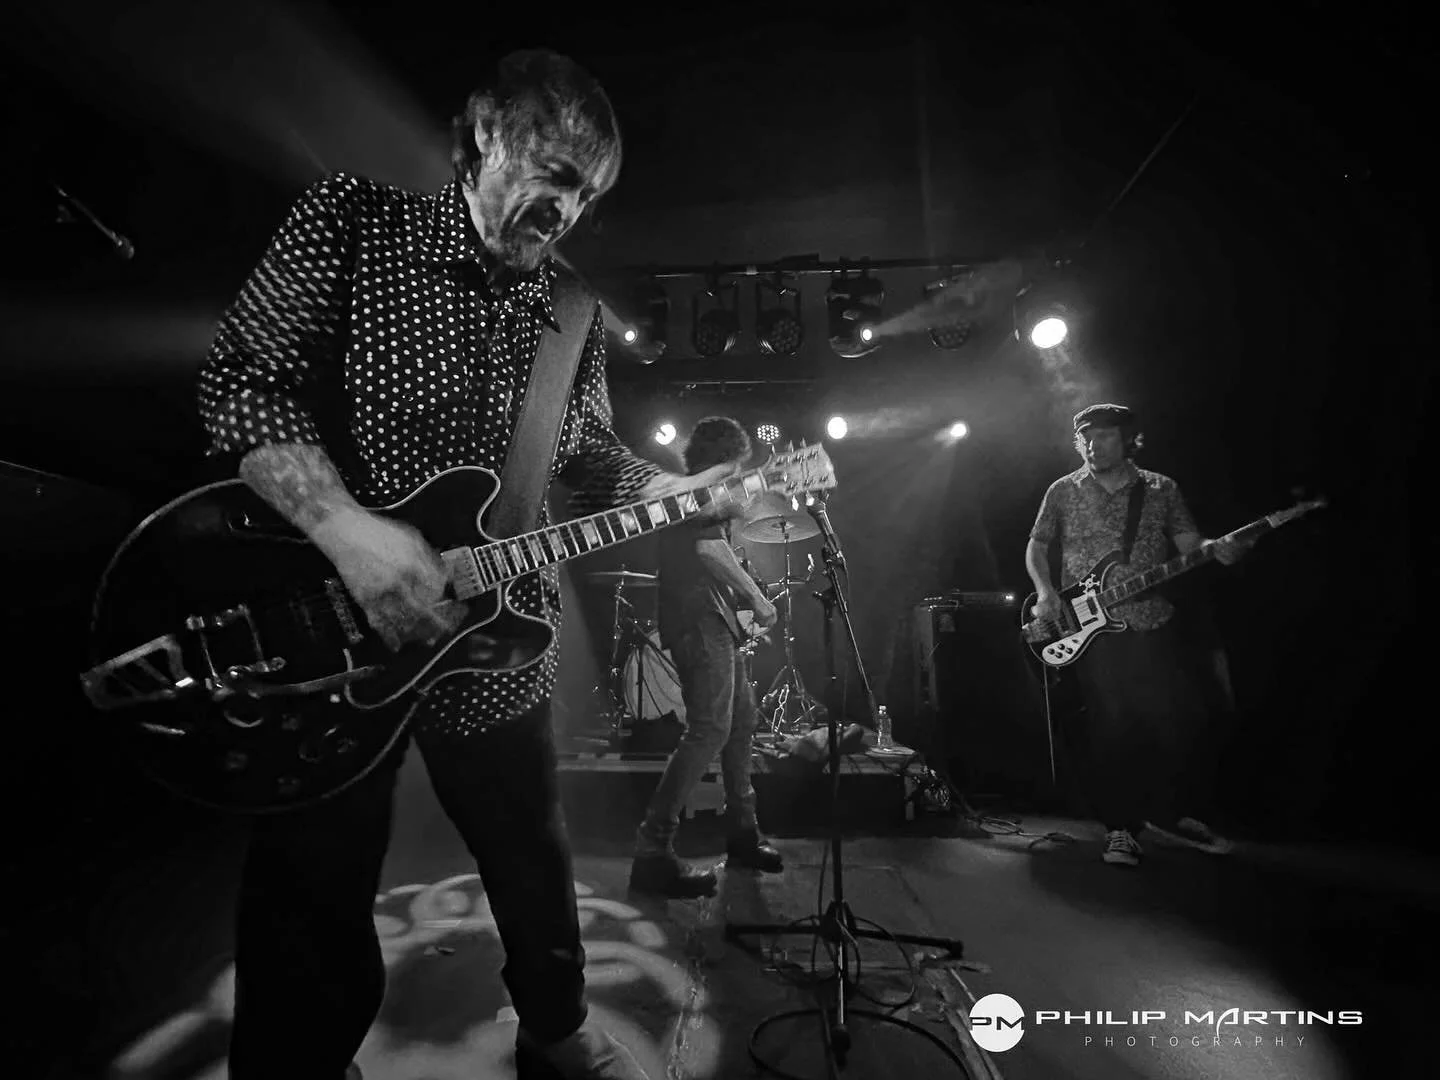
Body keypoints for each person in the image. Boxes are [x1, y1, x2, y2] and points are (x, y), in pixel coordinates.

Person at [196, 49, 731, 1080]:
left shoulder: (573, 313)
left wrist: (671, 489)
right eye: (557, 174)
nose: (568, 210)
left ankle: (555, 1032)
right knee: (313, 882)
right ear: (486, 131)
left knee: (531, 853)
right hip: (339, 629)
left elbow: (586, 455)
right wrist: (344, 528)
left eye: (588, 195)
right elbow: (243, 380)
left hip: (500, 636)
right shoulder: (356, 222)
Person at [1025, 404, 1245, 868]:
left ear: (1128, 440)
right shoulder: (1063, 490)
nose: (1093, 445)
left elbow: (1189, 544)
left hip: (1152, 619)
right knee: (1111, 726)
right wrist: (1045, 593)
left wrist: (1217, 550)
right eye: (1086, 437)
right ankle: (1120, 828)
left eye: (1104, 436)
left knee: (1179, 720)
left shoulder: (1161, 488)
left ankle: (1171, 812)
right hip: (1091, 629)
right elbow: (1038, 544)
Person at [628, 417, 784, 898]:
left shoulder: (697, 494)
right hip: (697, 620)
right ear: (725, 460)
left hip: (709, 619)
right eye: (736, 466)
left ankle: (743, 834)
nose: (738, 475)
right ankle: (652, 851)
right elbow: (710, 549)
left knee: (740, 722)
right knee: (711, 729)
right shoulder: (695, 494)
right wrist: (757, 598)